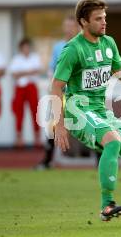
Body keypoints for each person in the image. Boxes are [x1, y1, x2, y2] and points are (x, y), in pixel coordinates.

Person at [51, 0, 121, 227]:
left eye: (105, 18)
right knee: (112, 140)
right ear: (83, 22)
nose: (104, 23)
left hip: (101, 112)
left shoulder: (108, 43)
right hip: (77, 109)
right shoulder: (73, 50)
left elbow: (120, 70)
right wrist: (59, 124)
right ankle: (107, 204)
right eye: (98, 19)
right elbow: (56, 86)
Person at [35, 16, 80, 170]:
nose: (68, 29)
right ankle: (47, 161)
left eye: (71, 26)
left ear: (77, 28)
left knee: (90, 125)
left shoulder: (83, 45)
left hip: (79, 94)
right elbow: (53, 70)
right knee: (52, 127)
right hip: (61, 93)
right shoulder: (57, 47)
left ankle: (100, 161)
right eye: (66, 26)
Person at [9, 38, 43, 148]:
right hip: (20, 88)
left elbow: (38, 70)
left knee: (35, 111)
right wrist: (29, 72)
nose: (26, 49)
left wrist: (22, 72)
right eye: (24, 47)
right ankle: (19, 139)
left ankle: (37, 139)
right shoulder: (16, 59)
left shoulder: (35, 57)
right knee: (19, 112)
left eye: (28, 47)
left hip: (31, 87)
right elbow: (14, 74)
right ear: (21, 48)